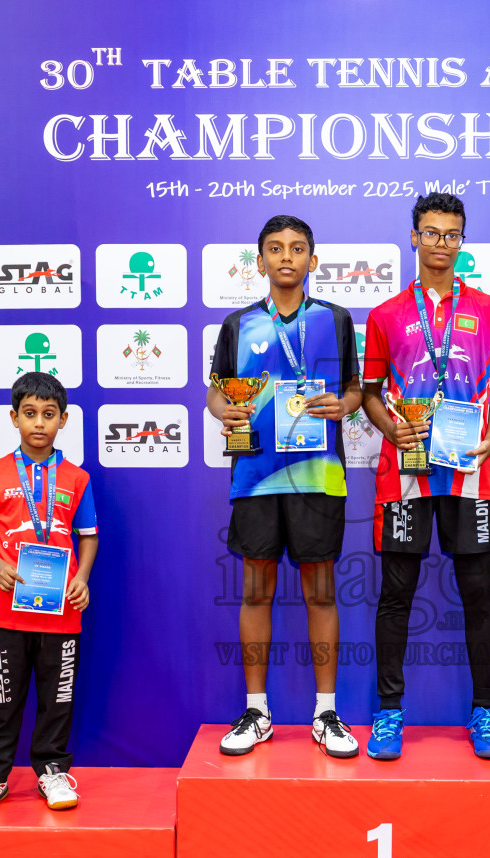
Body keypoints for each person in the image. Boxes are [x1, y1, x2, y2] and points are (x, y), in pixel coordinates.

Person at [361, 191, 490, 760]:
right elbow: (370, 394)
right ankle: (388, 712)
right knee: (396, 592)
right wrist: (391, 428)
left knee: (478, 591)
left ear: (462, 240)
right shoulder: (385, 315)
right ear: (414, 237)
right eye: (431, 232)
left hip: (470, 469)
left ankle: (484, 711)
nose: (441, 243)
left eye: (451, 234)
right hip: (407, 472)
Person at [205, 214, 361, 758]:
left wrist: (344, 405)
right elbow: (216, 392)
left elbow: (354, 389)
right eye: (275, 248)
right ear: (260, 261)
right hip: (255, 476)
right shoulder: (238, 324)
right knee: (255, 590)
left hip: (319, 475)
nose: (286, 257)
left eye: (297, 248)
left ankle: (326, 712)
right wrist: (225, 410)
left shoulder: (336, 320)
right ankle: (258, 711)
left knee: (321, 590)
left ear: (312, 260)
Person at [0, 371, 98, 813]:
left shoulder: (77, 478)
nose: (39, 423)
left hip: (61, 613)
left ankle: (52, 772)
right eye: (30, 413)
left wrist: (82, 578)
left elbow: (88, 536)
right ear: (14, 417)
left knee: (58, 700)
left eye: (49, 414)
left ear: (63, 420)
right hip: (0, 613)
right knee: (1, 700)